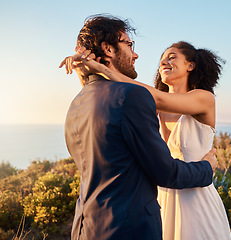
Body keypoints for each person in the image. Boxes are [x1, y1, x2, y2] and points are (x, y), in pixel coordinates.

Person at [60, 15, 218, 240]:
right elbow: (145, 100)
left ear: (191, 65)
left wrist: (96, 71)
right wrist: (207, 168)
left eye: (172, 57)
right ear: (109, 49)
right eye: (129, 45)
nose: (135, 54)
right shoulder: (136, 101)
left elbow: (152, 99)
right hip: (151, 209)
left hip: (192, 202)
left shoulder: (78, 103)